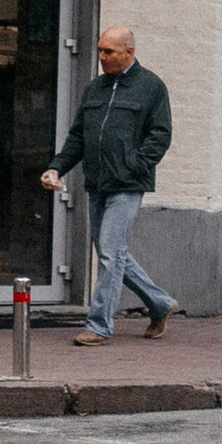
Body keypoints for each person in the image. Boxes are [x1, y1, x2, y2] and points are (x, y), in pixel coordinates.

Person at [40, 23, 177, 345]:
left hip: (127, 185)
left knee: (111, 254)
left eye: (108, 51)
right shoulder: (95, 89)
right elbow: (78, 136)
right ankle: (160, 304)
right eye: (100, 50)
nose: (101, 57)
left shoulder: (151, 87)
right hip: (97, 183)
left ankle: (99, 326)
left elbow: (160, 135)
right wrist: (56, 168)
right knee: (111, 253)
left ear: (129, 52)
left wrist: (135, 165)